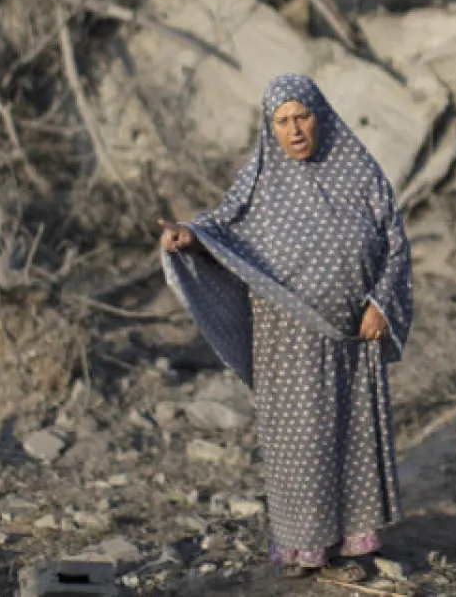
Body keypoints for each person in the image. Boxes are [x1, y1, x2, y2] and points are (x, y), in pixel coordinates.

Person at [158, 73, 413, 583]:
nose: (294, 130)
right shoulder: (259, 182)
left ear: (321, 117)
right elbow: (221, 229)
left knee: (353, 434)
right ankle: (306, 547)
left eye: (302, 117)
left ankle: (356, 543)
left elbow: (395, 243)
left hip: (352, 340)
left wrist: (381, 305)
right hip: (286, 342)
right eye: (282, 121)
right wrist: (188, 237)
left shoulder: (360, 173)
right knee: (299, 441)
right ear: (269, 128)